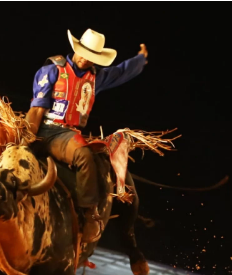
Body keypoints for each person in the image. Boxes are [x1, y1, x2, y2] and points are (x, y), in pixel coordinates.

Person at [24, 29, 148, 242]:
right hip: (45, 128)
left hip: (66, 134)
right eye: (83, 54)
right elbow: (36, 109)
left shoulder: (96, 77)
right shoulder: (53, 70)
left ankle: (89, 212)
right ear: (75, 49)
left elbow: (122, 71)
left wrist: (140, 59)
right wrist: (25, 140)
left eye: (91, 57)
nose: (85, 60)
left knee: (84, 155)